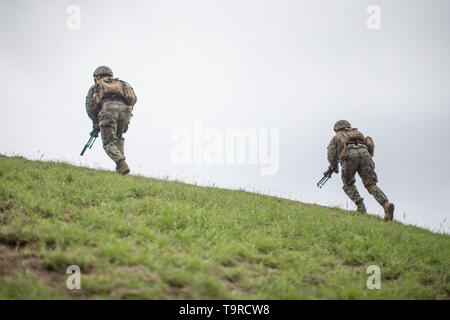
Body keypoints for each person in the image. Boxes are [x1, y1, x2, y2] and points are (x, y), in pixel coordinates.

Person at [326, 120, 394, 221]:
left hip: (350, 156)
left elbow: (331, 154)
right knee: (371, 185)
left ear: (337, 129)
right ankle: (386, 204)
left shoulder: (336, 137)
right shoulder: (359, 134)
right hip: (365, 155)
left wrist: (334, 167)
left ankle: (360, 207)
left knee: (348, 184)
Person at [85, 66, 137, 175]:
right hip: (126, 111)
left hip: (108, 110)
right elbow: (133, 99)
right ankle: (120, 168)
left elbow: (91, 107)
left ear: (98, 76)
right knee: (118, 138)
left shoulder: (97, 86)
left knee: (108, 142)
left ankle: (121, 163)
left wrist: (96, 123)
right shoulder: (122, 84)